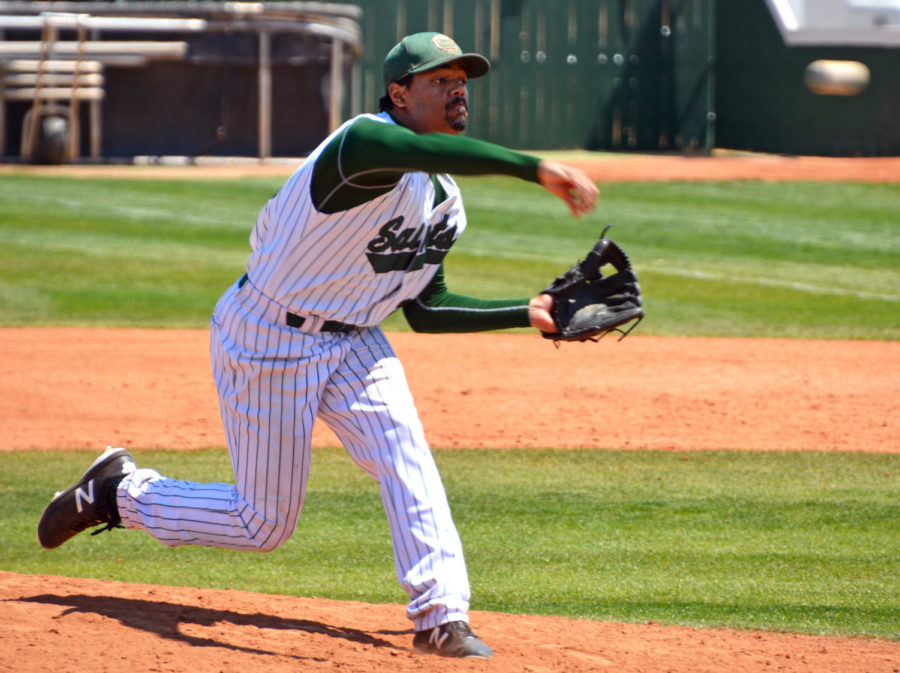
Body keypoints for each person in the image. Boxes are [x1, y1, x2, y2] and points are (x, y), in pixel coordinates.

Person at [37, 32, 598, 659]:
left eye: (461, 78)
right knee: (264, 525)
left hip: (357, 341)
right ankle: (119, 492)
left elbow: (427, 308)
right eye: (439, 79)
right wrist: (535, 168)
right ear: (399, 93)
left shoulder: (445, 202)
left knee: (405, 457)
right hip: (269, 334)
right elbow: (407, 151)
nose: (457, 87)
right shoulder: (361, 144)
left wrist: (528, 313)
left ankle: (441, 617)